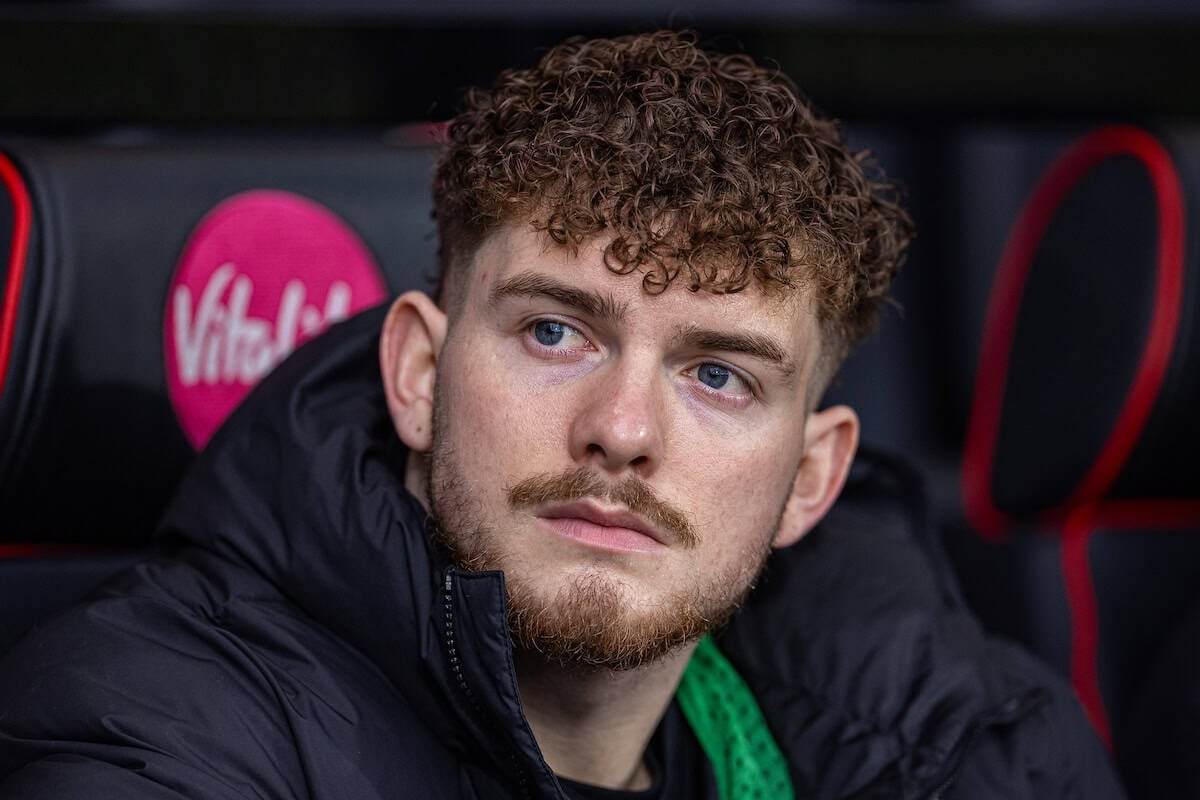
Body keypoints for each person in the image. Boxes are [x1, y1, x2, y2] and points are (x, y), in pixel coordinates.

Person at [0, 30, 1123, 799]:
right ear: (419, 373)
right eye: (556, 331)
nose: (622, 427)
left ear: (812, 479)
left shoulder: (966, 745)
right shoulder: (149, 727)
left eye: (719, 374)